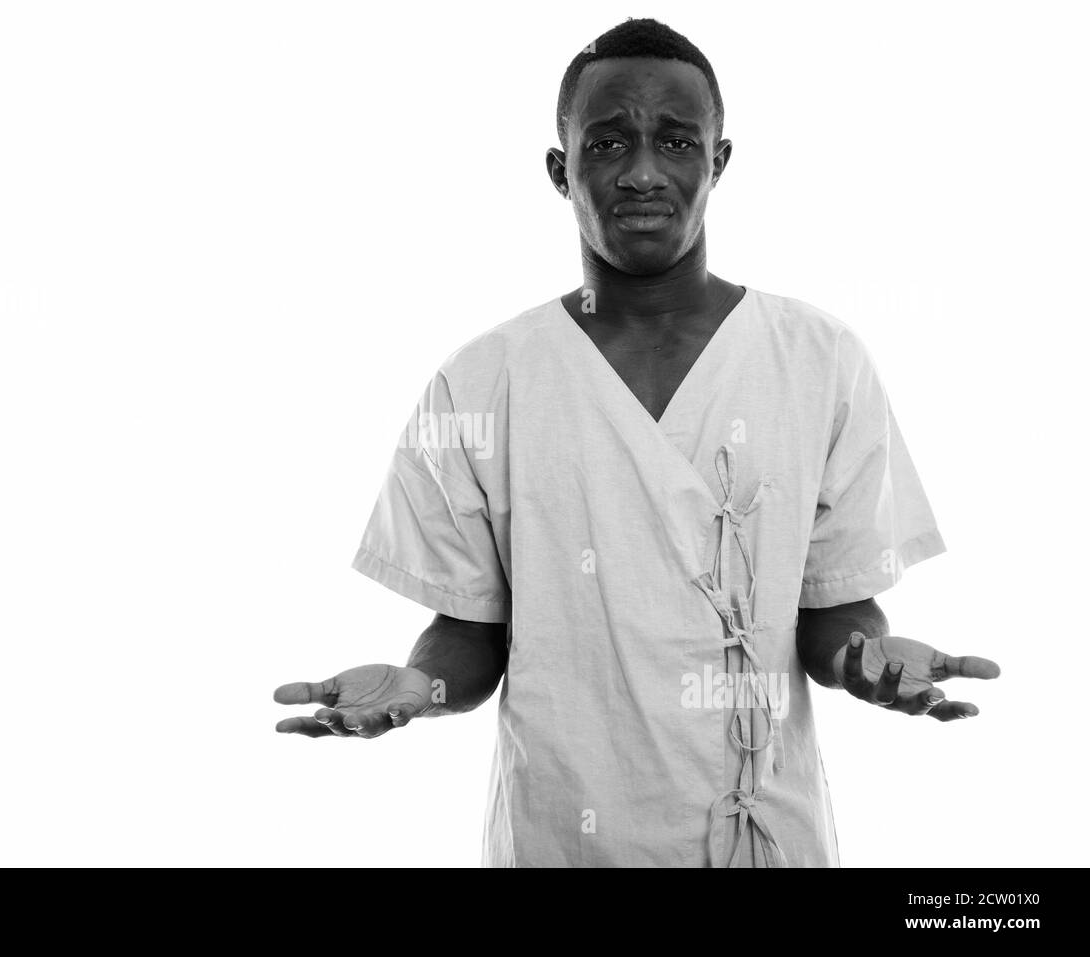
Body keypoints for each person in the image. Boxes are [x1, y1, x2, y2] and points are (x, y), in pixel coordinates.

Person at [273, 17, 1000, 867]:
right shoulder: (482, 382)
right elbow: (472, 633)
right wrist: (418, 686)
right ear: (561, 168)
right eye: (610, 140)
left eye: (677, 141)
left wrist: (863, 658)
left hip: (766, 839)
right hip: (559, 839)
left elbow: (830, 608)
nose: (645, 171)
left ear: (718, 161)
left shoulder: (818, 360)